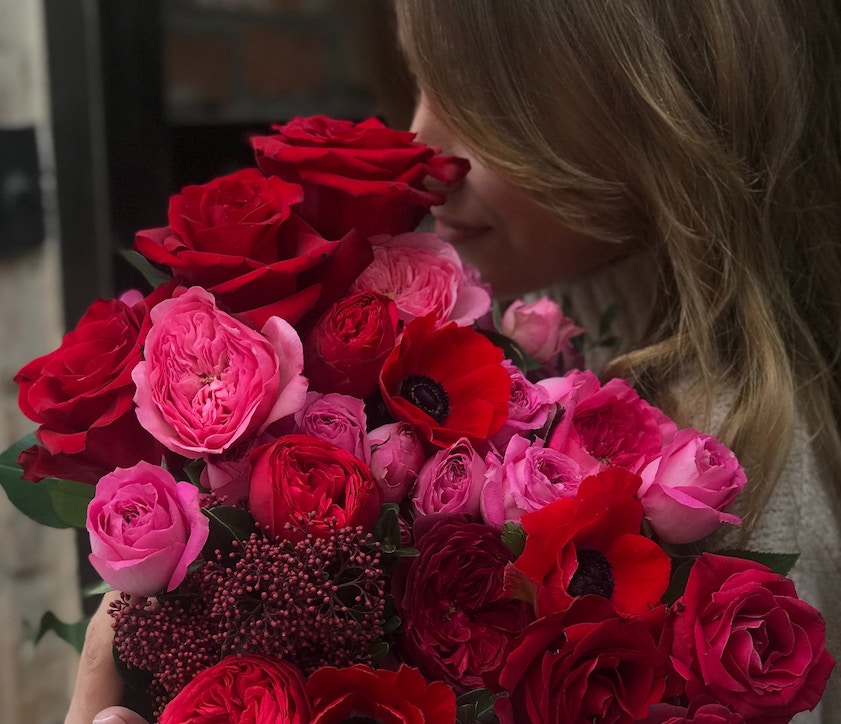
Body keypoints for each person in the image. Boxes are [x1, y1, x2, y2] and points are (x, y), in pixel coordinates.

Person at [67, 1, 841, 721]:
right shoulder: (578, 324)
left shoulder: (740, 452)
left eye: (486, 104)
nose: (423, 145)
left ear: (662, 102)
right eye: (421, 83)